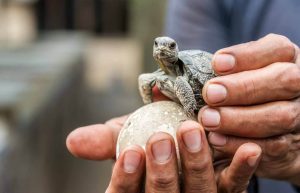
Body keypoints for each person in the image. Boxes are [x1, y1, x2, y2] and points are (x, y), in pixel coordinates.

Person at [66, 0, 300, 192]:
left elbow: (186, 89)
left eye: (169, 46)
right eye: (158, 45)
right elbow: (149, 84)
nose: (162, 49)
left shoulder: (182, 76)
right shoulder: (161, 74)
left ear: (175, 50)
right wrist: (149, 110)